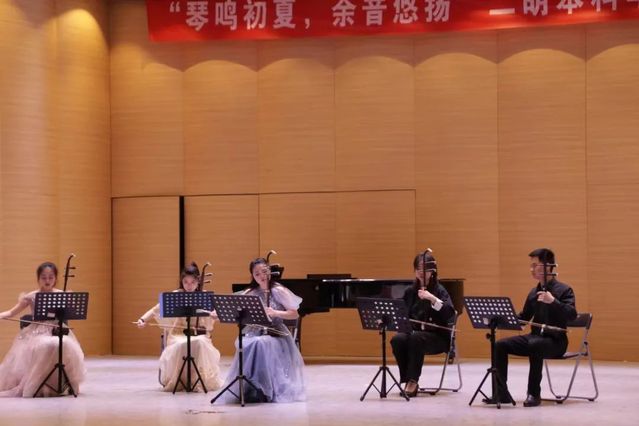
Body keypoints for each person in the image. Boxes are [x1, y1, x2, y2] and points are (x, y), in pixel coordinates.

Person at [491, 248, 577, 407]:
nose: (531, 269)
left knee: (535, 345)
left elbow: (572, 315)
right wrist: (502, 318)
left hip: (556, 342)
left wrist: (553, 301)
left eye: (535, 265)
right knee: (499, 345)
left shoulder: (564, 290)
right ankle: (501, 393)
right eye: (531, 266)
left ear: (548, 266)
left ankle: (533, 394)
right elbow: (523, 319)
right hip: (534, 338)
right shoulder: (534, 292)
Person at [217, 257, 305, 404]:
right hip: (255, 332)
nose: (261, 276)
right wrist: (217, 313)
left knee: (260, 343)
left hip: (276, 333)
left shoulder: (278, 290)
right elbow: (234, 307)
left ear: (269, 271)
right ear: (253, 276)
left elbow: (294, 314)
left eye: (263, 272)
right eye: (256, 274)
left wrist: (276, 313)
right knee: (247, 342)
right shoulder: (251, 292)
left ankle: (265, 388)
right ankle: (250, 387)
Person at [0, 262, 86, 397]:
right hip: (37, 332)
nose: (47, 280)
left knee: (66, 344)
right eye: (43, 277)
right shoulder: (32, 296)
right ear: (38, 279)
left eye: (51, 277)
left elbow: (70, 313)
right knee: (46, 344)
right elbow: (11, 312)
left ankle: (63, 383)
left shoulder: (61, 294)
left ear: (55, 278)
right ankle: (37, 384)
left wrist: (69, 300)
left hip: (57, 330)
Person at [137, 262, 223, 392]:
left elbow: (218, 314)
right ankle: (180, 379)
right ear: (181, 282)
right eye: (186, 282)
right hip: (178, 334)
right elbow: (156, 310)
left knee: (200, 343)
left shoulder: (204, 296)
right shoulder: (176, 295)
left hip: (198, 334)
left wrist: (215, 315)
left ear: (198, 282)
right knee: (180, 344)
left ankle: (196, 379)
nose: (189, 285)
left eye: (193, 282)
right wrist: (142, 319)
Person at [390, 251, 456, 397]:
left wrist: (432, 298)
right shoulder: (410, 291)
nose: (421, 272)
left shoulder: (439, 290)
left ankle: (413, 380)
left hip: (438, 338)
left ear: (432, 271)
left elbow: (449, 313)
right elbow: (402, 315)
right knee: (397, 339)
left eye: (425, 269)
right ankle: (407, 379)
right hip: (415, 335)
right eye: (418, 269)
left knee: (416, 338)